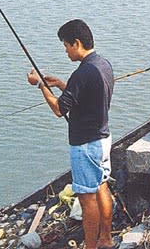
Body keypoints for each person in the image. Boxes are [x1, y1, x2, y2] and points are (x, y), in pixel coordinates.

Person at [26, 19, 115, 249]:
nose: (65, 51)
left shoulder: (82, 73)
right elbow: (88, 96)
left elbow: (58, 109)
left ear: (76, 43)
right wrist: (62, 85)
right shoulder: (103, 64)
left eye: (66, 45)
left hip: (85, 145)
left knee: (87, 199)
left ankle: (91, 247)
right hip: (103, 139)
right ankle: (106, 239)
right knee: (102, 186)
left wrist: (41, 85)